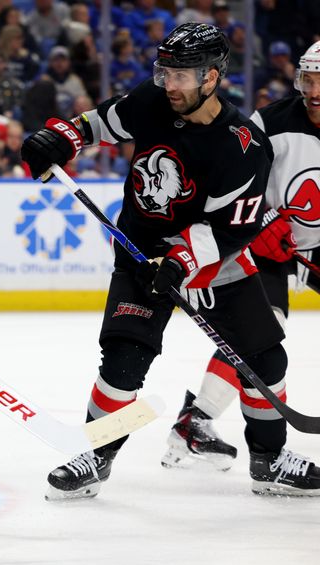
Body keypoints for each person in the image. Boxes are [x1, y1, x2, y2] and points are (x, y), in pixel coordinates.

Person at [21, 23, 320, 498]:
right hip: (142, 255)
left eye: (182, 76)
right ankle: (95, 457)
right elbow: (101, 122)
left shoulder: (242, 144)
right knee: (122, 360)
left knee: (265, 360)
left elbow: (231, 228)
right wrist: (61, 139)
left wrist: (181, 261)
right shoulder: (151, 100)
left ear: (212, 77)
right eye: (165, 73)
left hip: (213, 262)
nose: (170, 84)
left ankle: (269, 459)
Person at [160, 41, 320, 488]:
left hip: (315, 245)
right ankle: (196, 423)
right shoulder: (269, 121)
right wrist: (261, 220)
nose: (314, 89)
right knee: (259, 333)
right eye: (309, 78)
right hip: (260, 242)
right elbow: (231, 174)